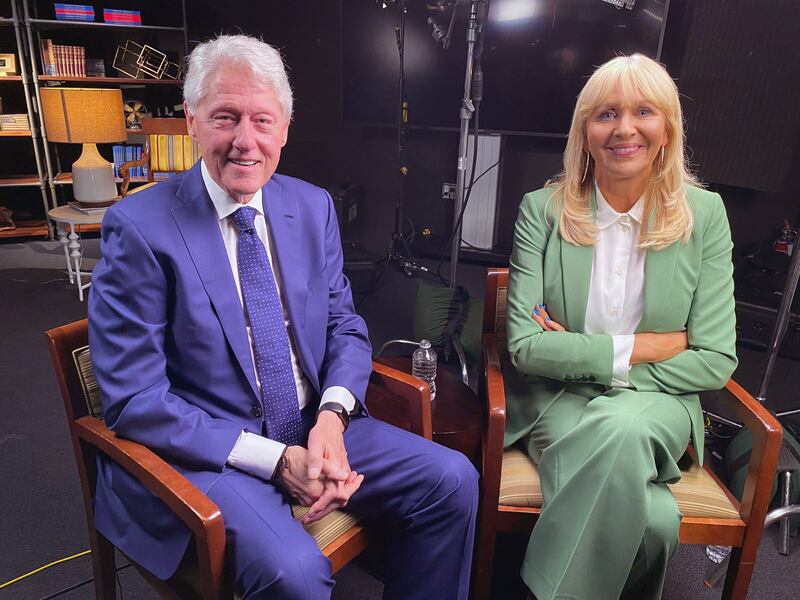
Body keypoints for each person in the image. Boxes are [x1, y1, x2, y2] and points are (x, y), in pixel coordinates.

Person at [88, 34, 478, 600]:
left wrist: (331, 421)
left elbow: (343, 326)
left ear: (285, 130)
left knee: (453, 482)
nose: (246, 141)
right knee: (290, 574)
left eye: (263, 121)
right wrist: (276, 460)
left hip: (311, 423)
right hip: (214, 451)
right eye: (226, 117)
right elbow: (135, 401)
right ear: (192, 120)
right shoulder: (139, 228)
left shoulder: (310, 205)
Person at [504, 54, 737, 600]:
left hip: (658, 403)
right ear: (585, 131)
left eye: (644, 112)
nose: (624, 128)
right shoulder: (543, 210)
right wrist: (644, 347)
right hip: (557, 399)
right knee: (654, 521)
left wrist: (591, 357)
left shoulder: (705, 216)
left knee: (622, 423)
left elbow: (715, 358)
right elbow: (525, 347)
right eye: (606, 113)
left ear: (668, 128)